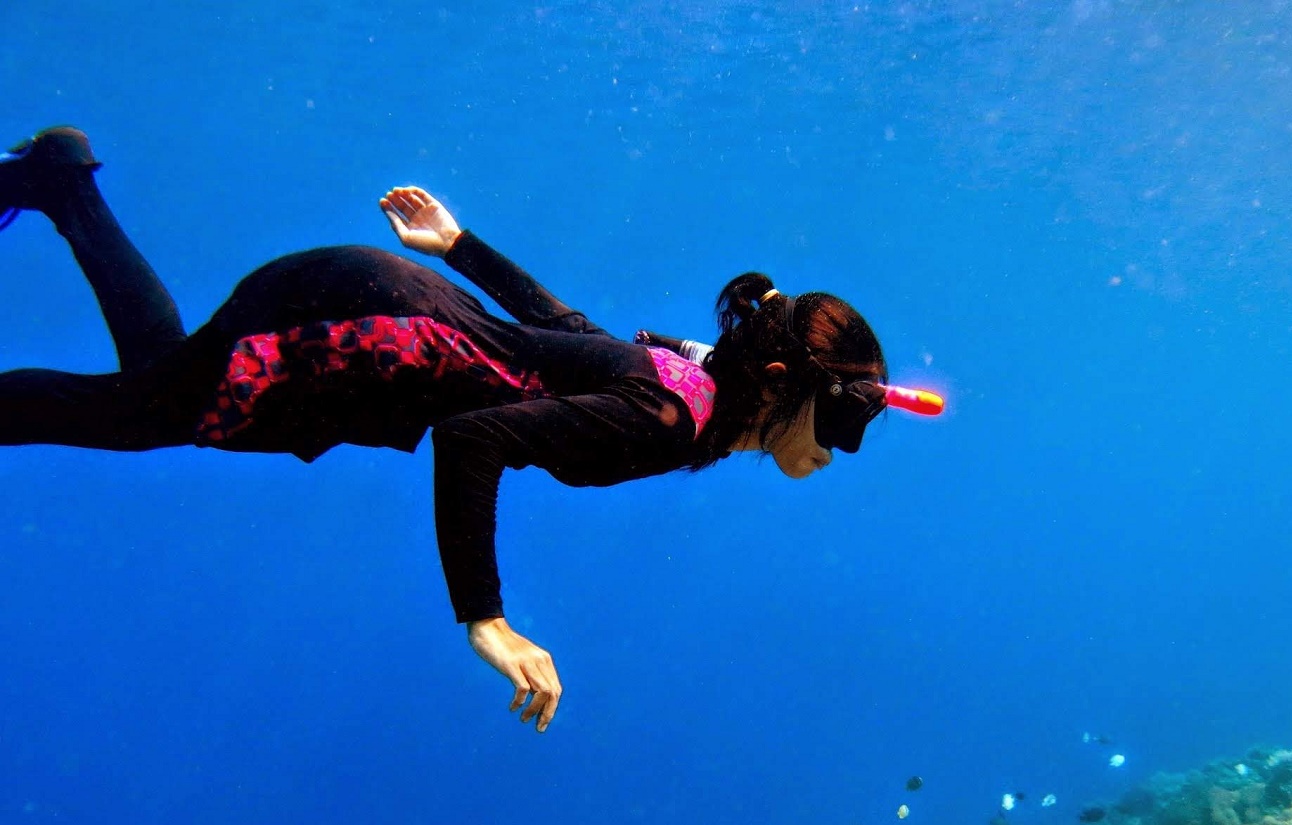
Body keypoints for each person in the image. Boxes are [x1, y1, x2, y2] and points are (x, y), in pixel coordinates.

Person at [0, 126, 939, 732]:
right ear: (780, 382)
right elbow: (474, 438)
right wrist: (486, 620)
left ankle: (63, 185)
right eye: (844, 419)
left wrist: (458, 246)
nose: (839, 450)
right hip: (362, 331)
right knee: (145, 412)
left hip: (380, 302)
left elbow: (568, 331)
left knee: (158, 390)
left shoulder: (693, 383)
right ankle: (64, 186)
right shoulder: (670, 417)